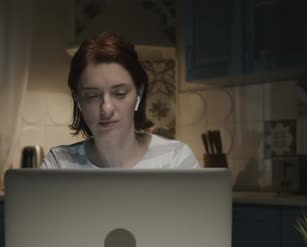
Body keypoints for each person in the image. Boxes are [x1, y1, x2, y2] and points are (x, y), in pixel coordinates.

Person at [40, 32, 199, 169]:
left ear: (139, 93)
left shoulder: (175, 159)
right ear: (77, 99)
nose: (106, 108)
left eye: (120, 93)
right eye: (92, 96)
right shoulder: (59, 164)